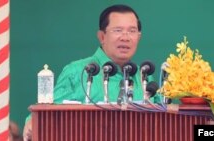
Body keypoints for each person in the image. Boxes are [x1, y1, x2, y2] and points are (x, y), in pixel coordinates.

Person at [23, 4, 161, 141]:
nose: (125, 37)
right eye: (118, 30)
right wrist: (32, 123)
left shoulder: (144, 77)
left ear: (139, 37)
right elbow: (46, 113)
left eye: (132, 31)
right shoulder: (78, 72)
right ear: (102, 37)